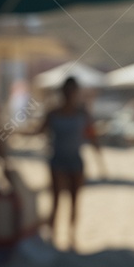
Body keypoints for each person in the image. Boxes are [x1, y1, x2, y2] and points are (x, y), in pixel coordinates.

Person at [37, 76, 102, 250]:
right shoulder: (53, 113)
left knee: (74, 201)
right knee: (56, 201)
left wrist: (100, 162)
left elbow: (92, 136)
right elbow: (38, 131)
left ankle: (71, 236)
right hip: (58, 160)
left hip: (75, 161)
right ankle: (53, 235)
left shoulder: (82, 113)